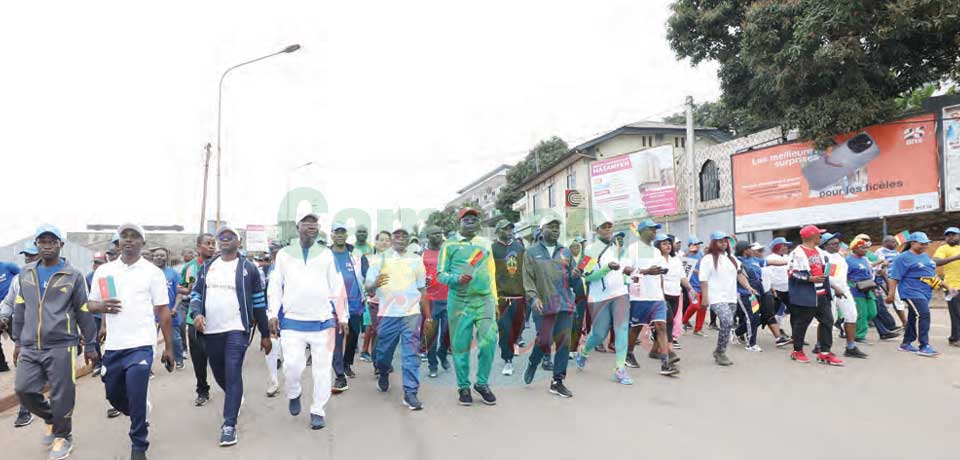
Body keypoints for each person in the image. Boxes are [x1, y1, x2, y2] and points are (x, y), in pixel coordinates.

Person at [88, 223, 176, 460]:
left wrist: (168, 348)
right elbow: (91, 303)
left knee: (137, 391)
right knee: (113, 395)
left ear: (142, 243)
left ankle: (139, 446)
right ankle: (140, 411)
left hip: (141, 344)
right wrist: (101, 308)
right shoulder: (104, 272)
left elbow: (163, 311)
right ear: (118, 242)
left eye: (134, 236)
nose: (128, 240)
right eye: (124, 236)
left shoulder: (152, 273)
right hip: (115, 345)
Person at [11, 226, 98, 460]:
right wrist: (18, 340)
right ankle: (51, 417)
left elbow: (83, 309)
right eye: (42, 241)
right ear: (36, 244)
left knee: (62, 393)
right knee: (23, 389)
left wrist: (90, 344)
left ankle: (63, 436)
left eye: (52, 241)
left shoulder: (73, 275)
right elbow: (20, 307)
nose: (47, 245)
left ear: (61, 244)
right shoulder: (26, 272)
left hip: (63, 344)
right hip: (30, 344)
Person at [188, 226, 272, 446]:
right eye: (221, 237)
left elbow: (259, 303)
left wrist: (265, 334)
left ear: (239, 241)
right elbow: (196, 294)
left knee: (233, 369)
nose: (225, 239)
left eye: (230, 236)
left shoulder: (249, 268)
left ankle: (229, 425)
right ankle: (235, 396)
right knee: (218, 372)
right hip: (211, 330)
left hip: (237, 328)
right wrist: (196, 314)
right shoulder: (207, 267)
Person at [267, 210, 349, 430]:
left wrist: (342, 315)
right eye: (307, 222)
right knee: (292, 366)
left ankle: (317, 409)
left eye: (315, 222)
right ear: (298, 227)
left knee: (322, 370)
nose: (312, 225)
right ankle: (294, 391)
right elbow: (275, 285)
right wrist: (272, 313)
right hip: (293, 321)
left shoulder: (326, 254)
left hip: (322, 322)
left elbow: (337, 286)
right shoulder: (284, 254)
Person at [437, 208, 499, 405]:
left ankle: (482, 383)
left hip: (484, 300)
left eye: (474, 219)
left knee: (489, 342)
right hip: (459, 302)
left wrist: (495, 300)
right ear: (460, 223)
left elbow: (491, 273)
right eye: (467, 219)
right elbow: (440, 274)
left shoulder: (485, 244)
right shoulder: (449, 245)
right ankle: (463, 387)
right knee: (461, 346)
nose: (471, 222)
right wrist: (457, 278)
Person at [366, 227, 431, 410]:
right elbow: (369, 288)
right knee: (383, 353)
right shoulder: (380, 259)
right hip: (387, 314)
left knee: (411, 353)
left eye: (404, 235)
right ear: (392, 239)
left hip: (411, 314)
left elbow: (422, 289)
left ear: (409, 239)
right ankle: (383, 371)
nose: (400, 238)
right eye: (397, 235)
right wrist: (374, 284)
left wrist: (428, 315)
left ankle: (410, 393)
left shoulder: (416, 260)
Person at [521, 219, 580, 397]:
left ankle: (557, 381)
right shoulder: (531, 253)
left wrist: (575, 276)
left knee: (563, 342)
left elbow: (572, 278)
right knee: (545, 341)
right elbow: (528, 278)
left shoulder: (565, 251)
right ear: (542, 229)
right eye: (551, 227)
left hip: (565, 303)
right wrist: (533, 297)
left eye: (557, 227)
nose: (555, 230)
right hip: (544, 303)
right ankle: (533, 361)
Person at [575, 219, 634, 385]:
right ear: (597, 229)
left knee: (621, 329)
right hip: (599, 296)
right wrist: (607, 267)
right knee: (599, 333)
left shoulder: (619, 248)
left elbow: (624, 270)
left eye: (610, 226)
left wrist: (628, 275)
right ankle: (584, 352)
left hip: (620, 294)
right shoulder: (590, 250)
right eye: (604, 227)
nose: (608, 229)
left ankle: (620, 369)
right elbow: (587, 276)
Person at [624, 221, 680, 376]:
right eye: (652, 229)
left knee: (661, 327)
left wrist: (661, 273)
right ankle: (628, 353)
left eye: (656, 229)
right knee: (636, 328)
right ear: (642, 231)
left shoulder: (655, 252)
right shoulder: (633, 249)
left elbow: (660, 271)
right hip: (640, 296)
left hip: (656, 296)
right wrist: (646, 271)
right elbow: (626, 269)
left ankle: (665, 364)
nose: (655, 231)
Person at [787, 225, 844, 366]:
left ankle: (824, 353)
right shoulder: (797, 252)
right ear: (812, 236)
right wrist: (809, 279)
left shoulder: (820, 251)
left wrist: (832, 287)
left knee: (827, 321)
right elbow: (791, 272)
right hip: (806, 295)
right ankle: (797, 351)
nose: (821, 237)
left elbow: (825, 270)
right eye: (819, 235)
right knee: (802, 324)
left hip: (822, 293)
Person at [1, 245, 41, 427]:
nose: (28, 260)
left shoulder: (57, 277)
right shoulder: (17, 280)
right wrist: (3, 316)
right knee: (24, 373)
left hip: (51, 335)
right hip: (24, 333)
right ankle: (25, 411)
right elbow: (9, 302)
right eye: (26, 256)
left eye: (32, 256)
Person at [698, 231, 750, 366]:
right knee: (727, 321)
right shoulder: (708, 259)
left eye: (725, 241)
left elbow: (740, 275)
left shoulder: (732, 258)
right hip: (716, 297)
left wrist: (748, 287)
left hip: (731, 297)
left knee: (727, 325)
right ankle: (721, 352)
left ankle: (719, 351)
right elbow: (703, 280)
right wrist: (704, 298)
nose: (723, 243)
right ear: (713, 243)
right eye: (720, 241)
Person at [888, 232, 940, 357]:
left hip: (925, 291)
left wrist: (943, 286)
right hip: (910, 291)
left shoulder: (925, 256)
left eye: (926, 244)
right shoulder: (902, 258)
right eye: (922, 244)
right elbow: (894, 277)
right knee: (924, 314)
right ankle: (924, 345)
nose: (924, 246)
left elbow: (931, 274)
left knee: (913, 315)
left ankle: (906, 343)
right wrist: (891, 294)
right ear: (913, 243)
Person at [329, 223, 368, 388]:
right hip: (333, 305)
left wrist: (371, 287)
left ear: (346, 235)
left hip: (355, 303)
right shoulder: (325, 254)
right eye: (336, 232)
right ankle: (339, 374)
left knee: (353, 336)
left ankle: (346, 363)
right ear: (332, 235)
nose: (339, 235)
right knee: (336, 340)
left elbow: (368, 272)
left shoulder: (356, 253)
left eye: (342, 232)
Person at [182, 233, 217, 406]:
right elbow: (182, 287)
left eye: (213, 243)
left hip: (218, 320)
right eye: (207, 243)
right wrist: (189, 290)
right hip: (194, 320)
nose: (211, 246)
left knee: (220, 359)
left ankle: (230, 388)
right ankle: (202, 390)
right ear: (198, 247)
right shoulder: (189, 267)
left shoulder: (222, 265)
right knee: (199, 359)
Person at [820, 234, 867, 358]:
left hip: (844, 290)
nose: (837, 246)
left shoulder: (839, 256)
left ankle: (851, 347)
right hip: (829, 291)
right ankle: (822, 345)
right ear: (825, 245)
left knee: (852, 316)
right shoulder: (825, 257)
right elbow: (826, 277)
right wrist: (836, 289)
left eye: (838, 243)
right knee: (829, 319)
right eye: (833, 244)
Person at [491, 220, 528, 376]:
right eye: (505, 229)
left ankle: (512, 345)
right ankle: (508, 360)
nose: (509, 231)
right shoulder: (492, 249)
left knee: (517, 328)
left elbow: (526, 271)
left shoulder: (520, 248)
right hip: (502, 298)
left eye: (511, 228)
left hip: (520, 296)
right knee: (505, 329)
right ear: (498, 231)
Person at [422, 225, 450, 378]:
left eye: (440, 233)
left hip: (448, 298)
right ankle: (433, 365)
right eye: (435, 233)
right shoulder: (423, 255)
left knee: (447, 332)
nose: (438, 236)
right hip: (430, 301)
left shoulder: (448, 252)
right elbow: (418, 277)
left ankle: (443, 354)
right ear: (428, 236)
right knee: (431, 335)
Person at [361, 231, 392, 363]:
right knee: (379, 332)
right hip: (375, 302)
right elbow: (366, 280)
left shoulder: (395, 260)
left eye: (387, 240)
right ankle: (378, 363)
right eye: (382, 240)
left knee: (389, 334)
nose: (384, 242)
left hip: (392, 303)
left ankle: (383, 362)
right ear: (376, 243)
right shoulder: (370, 259)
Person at [152, 248, 184, 369]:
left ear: (167, 258)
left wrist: (175, 308)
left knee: (174, 340)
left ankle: (178, 359)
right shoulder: (148, 274)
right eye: (156, 255)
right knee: (149, 341)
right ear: (153, 258)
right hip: (151, 316)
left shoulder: (173, 274)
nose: (159, 257)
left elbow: (179, 293)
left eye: (162, 255)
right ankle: (148, 367)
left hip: (169, 313)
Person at [932, 227, 960, 347]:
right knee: (956, 314)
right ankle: (955, 339)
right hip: (952, 287)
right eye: (948, 235)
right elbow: (936, 262)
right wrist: (956, 257)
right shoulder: (943, 248)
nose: (950, 237)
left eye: (953, 235)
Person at [876, 235, 909, 329]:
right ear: (886, 243)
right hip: (887, 281)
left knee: (887, 304)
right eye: (893, 242)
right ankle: (905, 323)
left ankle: (884, 324)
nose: (896, 243)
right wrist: (887, 283)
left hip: (897, 280)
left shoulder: (896, 253)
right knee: (895, 301)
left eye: (895, 242)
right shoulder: (880, 252)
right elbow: (880, 269)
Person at [763, 238, 793, 338]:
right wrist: (771, 287)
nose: (786, 247)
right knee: (775, 311)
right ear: (778, 246)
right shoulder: (770, 258)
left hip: (788, 289)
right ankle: (778, 331)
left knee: (793, 311)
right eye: (784, 245)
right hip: (776, 289)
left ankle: (796, 335)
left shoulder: (787, 257)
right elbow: (767, 274)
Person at [84, 252, 108, 377]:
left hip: (107, 315)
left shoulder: (106, 277)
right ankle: (98, 363)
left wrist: (104, 324)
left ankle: (108, 362)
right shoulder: (88, 277)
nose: (95, 265)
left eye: (99, 262)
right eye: (94, 262)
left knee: (108, 338)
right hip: (94, 315)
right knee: (94, 339)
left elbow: (106, 300)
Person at [680, 237, 707, 334]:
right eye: (695, 244)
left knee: (703, 307)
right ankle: (684, 321)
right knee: (695, 306)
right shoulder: (686, 255)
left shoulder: (701, 254)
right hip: (691, 286)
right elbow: (681, 263)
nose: (698, 246)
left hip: (702, 286)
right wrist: (695, 271)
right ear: (690, 245)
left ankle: (698, 329)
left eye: (698, 244)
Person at [568, 236, 588, 357]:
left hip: (583, 294)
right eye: (573, 246)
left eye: (577, 246)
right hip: (571, 294)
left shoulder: (584, 259)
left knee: (580, 320)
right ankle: (569, 347)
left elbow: (590, 272)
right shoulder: (567, 260)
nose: (576, 248)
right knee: (572, 321)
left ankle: (575, 347)